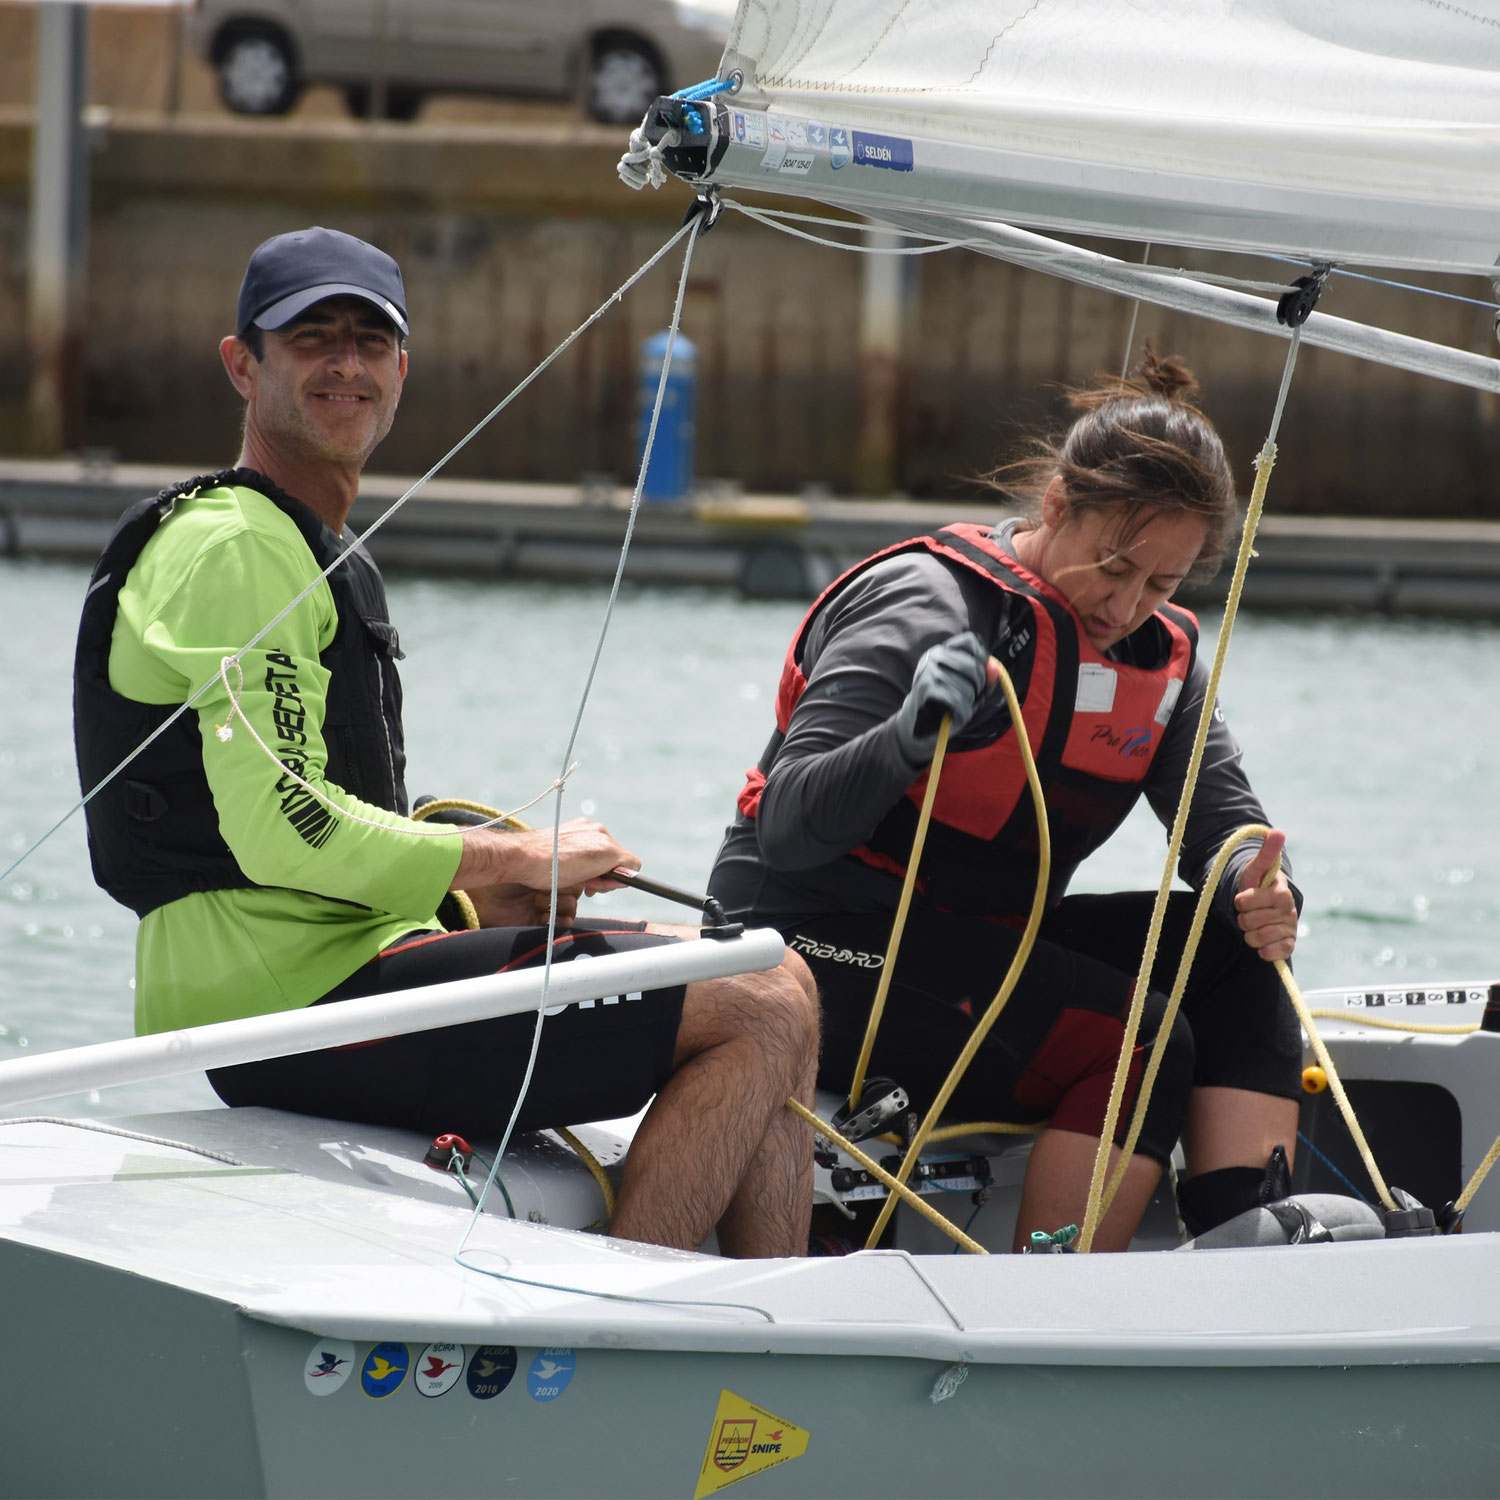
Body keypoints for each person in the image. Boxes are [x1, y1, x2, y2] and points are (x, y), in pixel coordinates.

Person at [73, 226, 818, 1258]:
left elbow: (314, 824)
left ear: (402, 371)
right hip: (283, 1007)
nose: (345, 362)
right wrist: (521, 857)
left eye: (370, 341)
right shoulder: (239, 548)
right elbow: (284, 829)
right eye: (310, 338)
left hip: (341, 969)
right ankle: (634, 1335)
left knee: (776, 976)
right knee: (759, 1003)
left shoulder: (309, 549)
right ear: (243, 364)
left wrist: (470, 899)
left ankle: (769, 1315)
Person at [708, 349, 1302, 1252]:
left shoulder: (1162, 660)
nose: (1128, 606)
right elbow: (788, 832)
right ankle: (1047, 1310)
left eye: (1164, 585)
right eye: (1115, 566)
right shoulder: (926, 606)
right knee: (1136, 1042)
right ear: (1057, 504)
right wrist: (908, 735)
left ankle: (1245, 1248)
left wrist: (1264, 887)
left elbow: (1227, 829)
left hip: (981, 948)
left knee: (1225, 953)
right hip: (807, 940)